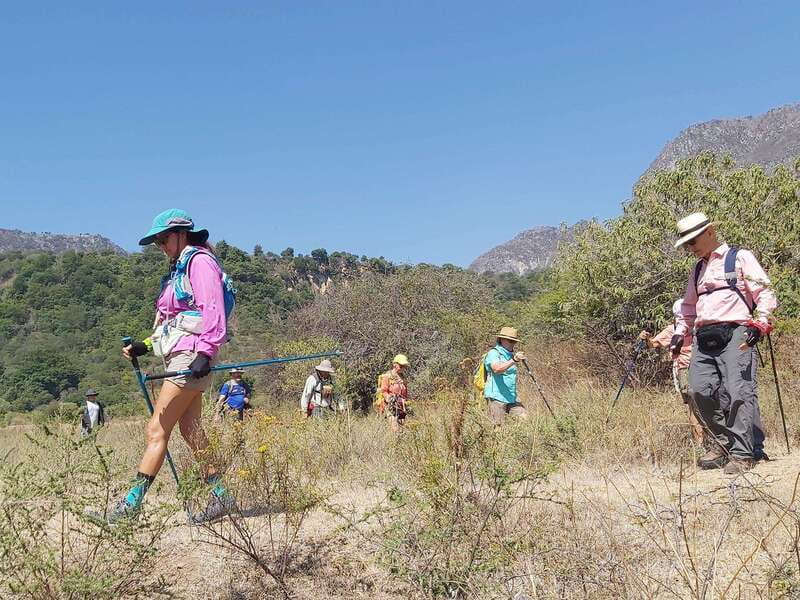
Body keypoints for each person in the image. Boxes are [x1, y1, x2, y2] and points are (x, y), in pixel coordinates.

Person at [109, 208, 234, 524]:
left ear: (181, 234)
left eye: (164, 238)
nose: (161, 245)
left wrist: (205, 354)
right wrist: (145, 346)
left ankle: (129, 508)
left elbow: (213, 311)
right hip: (184, 355)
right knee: (191, 430)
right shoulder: (179, 268)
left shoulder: (200, 262)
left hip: (191, 358)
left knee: (156, 429)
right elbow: (174, 323)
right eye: (157, 241)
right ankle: (223, 497)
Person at [671, 212, 777, 475]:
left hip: (737, 331)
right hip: (703, 337)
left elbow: (764, 292)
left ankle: (743, 453)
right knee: (698, 391)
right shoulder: (697, 269)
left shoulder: (740, 257)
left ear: (709, 233)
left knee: (738, 390)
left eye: (692, 241)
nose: (690, 248)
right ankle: (721, 444)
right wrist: (679, 333)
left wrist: (760, 323)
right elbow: (688, 307)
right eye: (686, 243)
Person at [640, 300, 705, 445]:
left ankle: (709, 440)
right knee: (693, 405)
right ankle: (700, 442)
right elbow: (654, 344)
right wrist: (646, 339)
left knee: (702, 403)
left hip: (701, 367)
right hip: (685, 369)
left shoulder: (700, 325)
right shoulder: (673, 329)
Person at [483, 327, 528, 424]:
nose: (512, 343)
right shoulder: (494, 353)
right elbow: (497, 369)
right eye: (510, 340)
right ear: (501, 339)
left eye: (514, 341)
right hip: (496, 397)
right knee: (498, 428)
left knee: (524, 419)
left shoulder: (509, 355)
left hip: (511, 397)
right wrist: (514, 360)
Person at [379, 354, 410, 432]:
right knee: (396, 429)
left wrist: (406, 402)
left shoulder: (403, 377)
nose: (403, 368)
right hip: (390, 407)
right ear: (394, 364)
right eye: (401, 366)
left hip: (401, 407)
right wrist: (389, 398)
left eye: (404, 366)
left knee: (403, 429)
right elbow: (383, 391)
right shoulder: (387, 376)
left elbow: (405, 392)